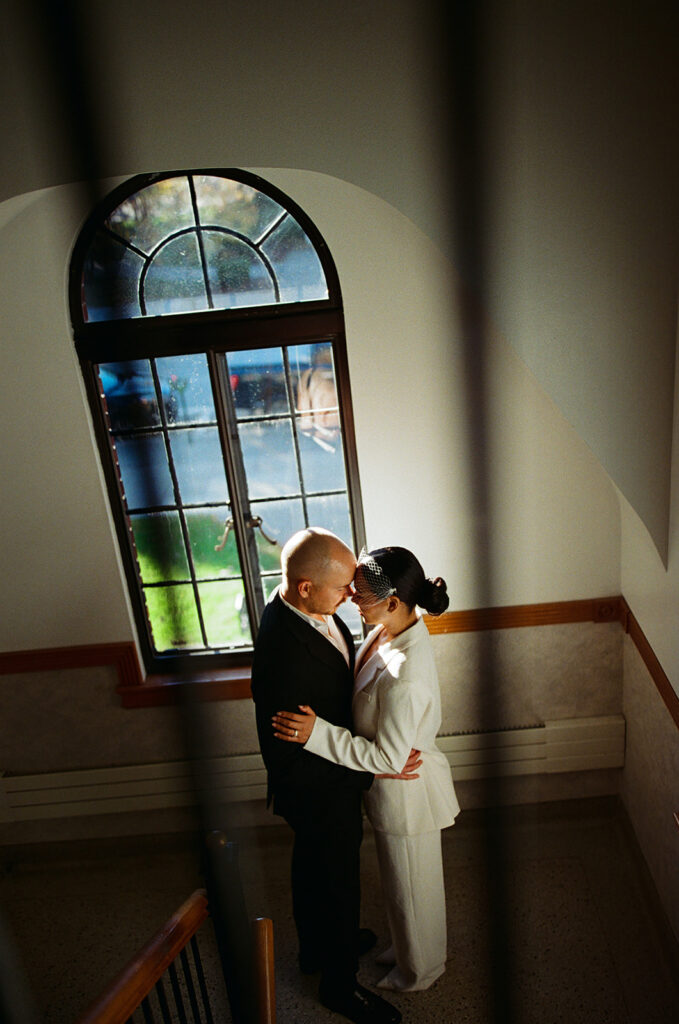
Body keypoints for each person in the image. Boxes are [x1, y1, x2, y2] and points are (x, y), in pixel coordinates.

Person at [273, 546, 460, 992]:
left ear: (393, 601)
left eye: (361, 595)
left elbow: (387, 760)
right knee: (401, 888)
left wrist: (316, 734)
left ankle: (420, 971)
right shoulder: (388, 631)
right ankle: (404, 945)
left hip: (407, 796)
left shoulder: (407, 674)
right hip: (387, 794)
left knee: (415, 890)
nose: (352, 600)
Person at [251, 528, 403, 1024]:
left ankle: (315, 951)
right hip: (317, 785)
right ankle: (339, 986)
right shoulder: (283, 649)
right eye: (343, 587)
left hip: (332, 767)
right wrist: (361, 772)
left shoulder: (314, 607)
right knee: (338, 882)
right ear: (304, 588)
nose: (352, 594)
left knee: (311, 869)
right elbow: (290, 742)